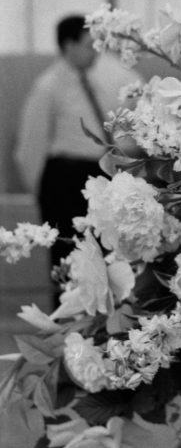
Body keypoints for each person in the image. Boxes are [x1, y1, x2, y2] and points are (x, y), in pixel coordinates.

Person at [13, 14, 136, 272]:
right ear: (69, 46)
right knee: (68, 255)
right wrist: (43, 190)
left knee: (101, 252)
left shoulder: (96, 81)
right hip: (63, 179)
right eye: (88, 45)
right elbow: (30, 145)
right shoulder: (47, 87)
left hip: (95, 174)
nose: (95, 52)